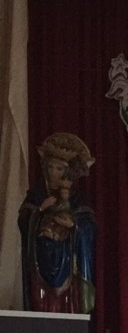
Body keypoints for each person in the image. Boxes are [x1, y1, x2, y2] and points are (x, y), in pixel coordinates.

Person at [17, 133, 97, 315]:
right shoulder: (37, 195)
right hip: (40, 261)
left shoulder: (78, 199)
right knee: (40, 305)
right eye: (50, 167)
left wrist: (73, 225)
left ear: (68, 173)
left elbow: (90, 227)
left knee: (69, 306)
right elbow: (24, 220)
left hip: (68, 263)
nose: (53, 173)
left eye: (59, 169)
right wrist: (40, 209)